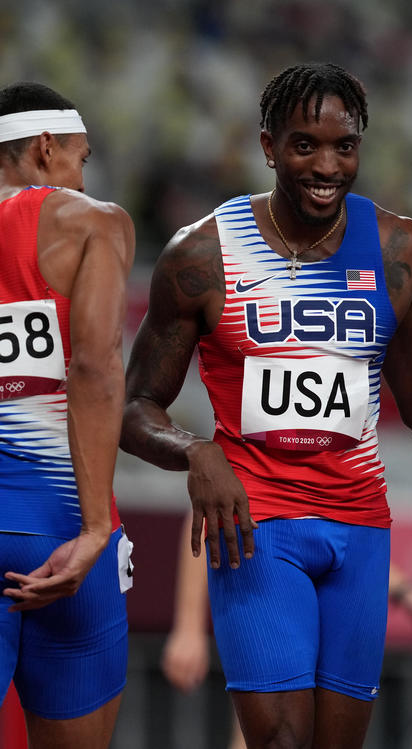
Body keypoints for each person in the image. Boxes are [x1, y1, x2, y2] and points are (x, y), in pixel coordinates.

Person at [119, 62, 412, 749]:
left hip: (360, 526)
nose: (327, 166)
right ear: (269, 146)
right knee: (277, 741)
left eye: (345, 146)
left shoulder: (399, 250)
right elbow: (133, 407)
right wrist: (197, 451)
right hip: (258, 526)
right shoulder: (203, 256)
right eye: (306, 145)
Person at [0, 82, 136, 749]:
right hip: (62, 536)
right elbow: (95, 367)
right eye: (81, 157)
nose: (83, 175)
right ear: (47, 147)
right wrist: (93, 528)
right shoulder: (92, 222)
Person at [161, 515, 412, 749]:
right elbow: (206, 510)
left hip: (329, 583)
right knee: (272, 733)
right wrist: (188, 628)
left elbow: (335, 534)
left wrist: (409, 596)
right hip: (266, 555)